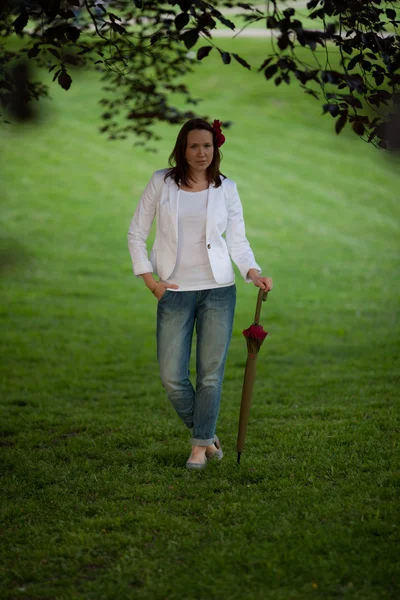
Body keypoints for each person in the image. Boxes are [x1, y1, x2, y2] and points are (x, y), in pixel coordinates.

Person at [128, 118, 273, 469]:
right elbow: (136, 233)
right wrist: (151, 282)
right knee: (172, 377)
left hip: (219, 290)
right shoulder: (162, 182)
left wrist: (252, 271)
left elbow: (237, 240)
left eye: (207, 146)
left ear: (215, 148)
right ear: (182, 148)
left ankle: (198, 446)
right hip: (174, 291)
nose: (201, 153)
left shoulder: (227, 188)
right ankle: (208, 436)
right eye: (194, 146)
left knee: (211, 373)